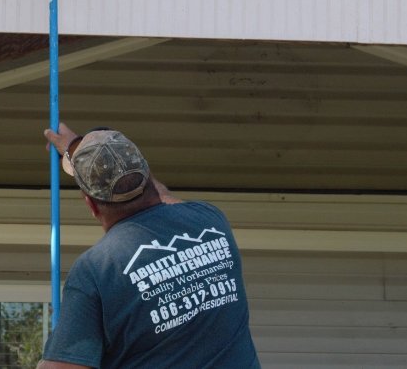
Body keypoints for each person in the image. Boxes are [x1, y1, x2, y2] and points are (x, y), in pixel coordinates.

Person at [38, 123, 261, 369]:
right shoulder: (210, 220)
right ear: (147, 175)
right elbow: (163, 196)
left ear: (90, 205)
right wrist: (76, 147)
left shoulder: (97, 270)